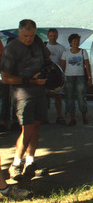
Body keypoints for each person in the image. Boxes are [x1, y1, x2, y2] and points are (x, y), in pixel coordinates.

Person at [0, 19, 50, 181]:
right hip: (23, 94)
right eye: (26, 35)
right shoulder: (11, 49)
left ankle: (30, 162)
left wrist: (47, 74)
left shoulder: (37, 42)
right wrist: (30, 80)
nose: (29, 39)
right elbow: (6, 78)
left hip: (40, 91)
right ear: (19, 32)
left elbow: (47, 61)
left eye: (32, 35)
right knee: (27, 129)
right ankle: (16, 163)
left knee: (36, 127)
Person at [61, 34, 92, 126]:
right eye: (74, 41)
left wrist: (89, 78)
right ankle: (72, 118)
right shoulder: (65, 53)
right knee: (69, 98)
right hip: (68, 77)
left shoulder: (83, 52)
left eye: (77, 41)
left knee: (81, 97)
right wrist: (62, 79)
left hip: (80, 77)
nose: (76, 43)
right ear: (70, 42)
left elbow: (87, 65)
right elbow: (62, 67)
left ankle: (84, 116)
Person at [46, 28, 66, 124]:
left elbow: (63, 64)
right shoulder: (44, 47)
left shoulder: (61, 48)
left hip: (57, 76)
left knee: (58, 97)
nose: (52, 38)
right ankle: (44, 117)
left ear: (57, 36)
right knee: (45, 96)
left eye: (54, 36)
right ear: (48, 36)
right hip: (46, 76)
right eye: (51, 36)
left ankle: (59, 116)